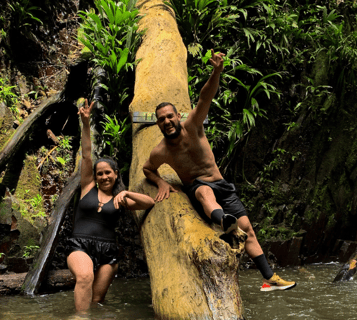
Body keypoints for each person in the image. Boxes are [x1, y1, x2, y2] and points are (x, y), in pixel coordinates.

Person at [143, 49, 296, 292]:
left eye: (169, 116)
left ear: (177, 116)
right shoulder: (160, 151)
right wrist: (161, 182)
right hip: (199, 189)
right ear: (158, 123)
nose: (166, 121)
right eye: (161, 119)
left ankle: (269, 278)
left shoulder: (193, 126)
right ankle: (224, 221)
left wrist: (216, 71)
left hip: (222, 185)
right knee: (204, 193)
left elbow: (205, 97)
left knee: (250, 233)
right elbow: (147, 169)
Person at [66, 99, 155, 313]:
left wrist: (126, 192)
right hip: (80, 244)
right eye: (100, 173)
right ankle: (79, 319)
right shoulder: (88, 187)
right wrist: (85, 124)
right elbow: (87, 154)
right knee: (85, 276)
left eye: (108, 173)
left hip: (108, 252)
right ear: (95, 177)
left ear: (116, 174)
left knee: (97, 301)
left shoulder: (120, 199)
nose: (104, 176)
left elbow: (149, 202)